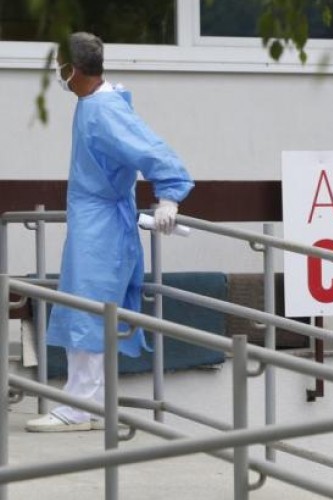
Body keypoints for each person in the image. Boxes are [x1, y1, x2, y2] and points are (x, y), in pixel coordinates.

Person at [25, 32, 194, 432]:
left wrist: (169, 197)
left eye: (61, 66)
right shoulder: (97, 103)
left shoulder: (104, 110)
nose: (58, 73)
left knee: (88, 310)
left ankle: (80, 406)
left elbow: (151, 149)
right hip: (95, 221)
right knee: (86, 308)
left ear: (74, 69)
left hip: (101, 226)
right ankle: (88, 402)